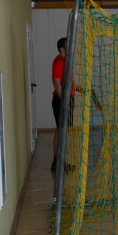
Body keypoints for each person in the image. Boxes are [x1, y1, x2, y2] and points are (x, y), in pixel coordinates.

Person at [50, 37, 67, 171]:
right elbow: (56, 82)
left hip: (65, 99)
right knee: (60, 130)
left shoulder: (65, 61)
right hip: (60, 101)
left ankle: (61, 161)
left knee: (62, 130)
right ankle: (56, 162)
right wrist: (63, 101)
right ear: (62, 49)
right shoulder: (59, 62)